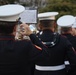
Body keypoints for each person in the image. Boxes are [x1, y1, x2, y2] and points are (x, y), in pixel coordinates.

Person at [0, 4, 49, 75]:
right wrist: (31, 34)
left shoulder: (24, 45)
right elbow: (46, 55)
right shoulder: (25, 45)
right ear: (14, 28)